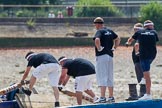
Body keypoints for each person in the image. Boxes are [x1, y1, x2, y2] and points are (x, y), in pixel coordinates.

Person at [126, 20, 159, 100]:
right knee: (146, 73)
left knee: (146, 75)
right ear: (150, 26)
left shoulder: (140, 32)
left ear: (144, 26)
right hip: (152, 56)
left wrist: (128, 43)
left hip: (144, 56)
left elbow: (132, 40)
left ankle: (148, 94)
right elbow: (156, 41)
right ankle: (144, 81)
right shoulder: (154, 32)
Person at [93, 17, 120, 103]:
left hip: (102, 55)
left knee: (102, 76)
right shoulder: (110, 31)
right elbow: (118, 38)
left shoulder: (99, 31)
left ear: (97, 24)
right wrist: (114, 47)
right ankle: (111, 97)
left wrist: (99, 48)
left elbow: (97, 39)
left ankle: (102, 97)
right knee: (109, 76)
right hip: (110, 56)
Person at [125, 23, 146, 100]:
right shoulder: (143, 36)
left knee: (141, 77)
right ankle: (142, 94)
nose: (134, 31)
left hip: (138, 61)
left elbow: (137, 45)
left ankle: (142, 94)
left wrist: (137, 53)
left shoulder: (139, 37)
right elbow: (132, 40)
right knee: (142, 77)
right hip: (141, 60)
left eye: (136, 30)